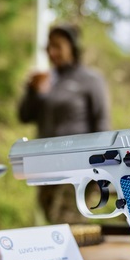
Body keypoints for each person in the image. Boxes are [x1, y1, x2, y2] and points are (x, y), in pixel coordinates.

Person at [18, 23, 111, 223]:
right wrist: (32, 91)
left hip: (78, 168)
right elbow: (25, 116)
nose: (52, 52)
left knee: (69, 224)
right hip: (46, 167)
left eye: (58, 46)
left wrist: (101, 168)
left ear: (73, 47)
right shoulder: (46, 80)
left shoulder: (91, 80)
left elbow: (101, 122)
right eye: (49, 47)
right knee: (53, 223)